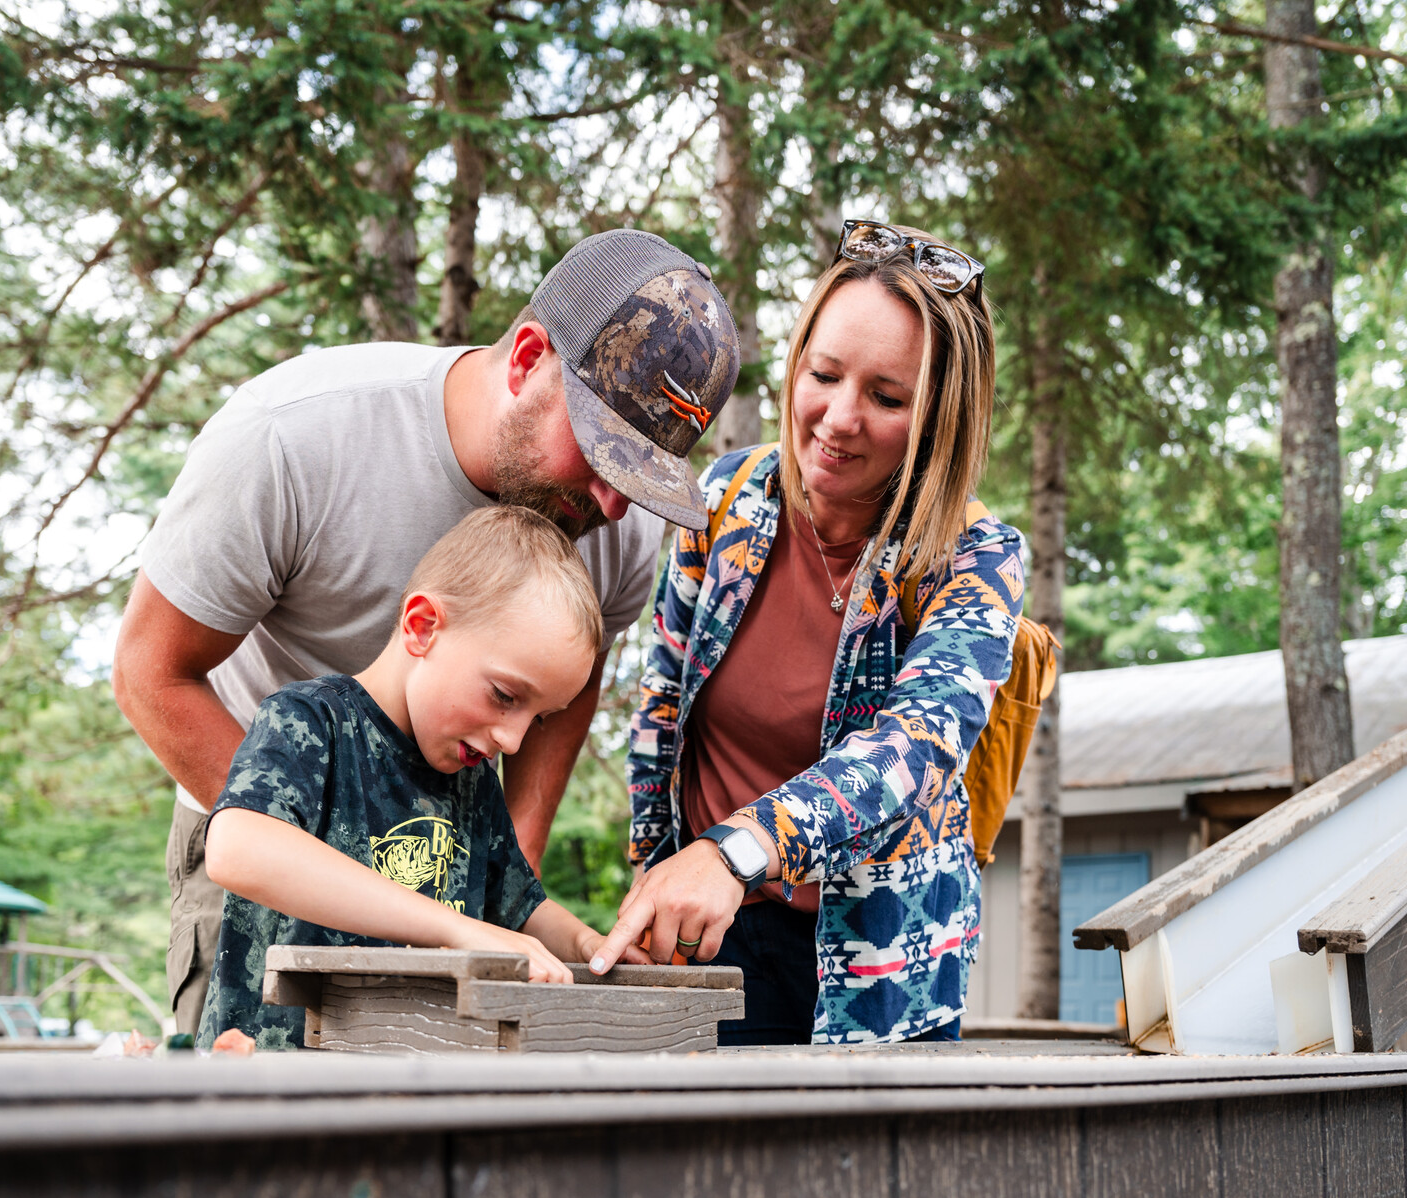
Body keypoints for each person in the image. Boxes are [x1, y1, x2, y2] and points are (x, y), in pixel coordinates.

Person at [115, 230, 740, 1037]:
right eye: (602, 452)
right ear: (525, 360)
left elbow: (570, 692)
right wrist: (355, 868)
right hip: (264, 816)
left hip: (444, 852)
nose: (616, 505)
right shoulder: (291, 436)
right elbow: (149, 674)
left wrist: (499, 897)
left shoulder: (608, 511)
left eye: (642, 471)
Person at [589, 221, 1026, 1046]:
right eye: (823, 375)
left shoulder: (977, 557)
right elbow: (661, 712)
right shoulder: (725, 498)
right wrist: (659, 878)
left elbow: (911, 753)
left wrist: (737, 849)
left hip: (883, 960)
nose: (838, 417)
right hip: (721, 939)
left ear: (939, 416)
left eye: (888, 398)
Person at [198, 508, 649, 1049]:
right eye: (505, 696)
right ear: (422, 627)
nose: (513, 741)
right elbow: (238, 847)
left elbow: (523, 911)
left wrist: (586, 943)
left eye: (537, 718)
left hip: (403, 1087)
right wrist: (458, 929)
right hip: (269, 1084)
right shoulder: (312, 723)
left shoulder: (472, 777)